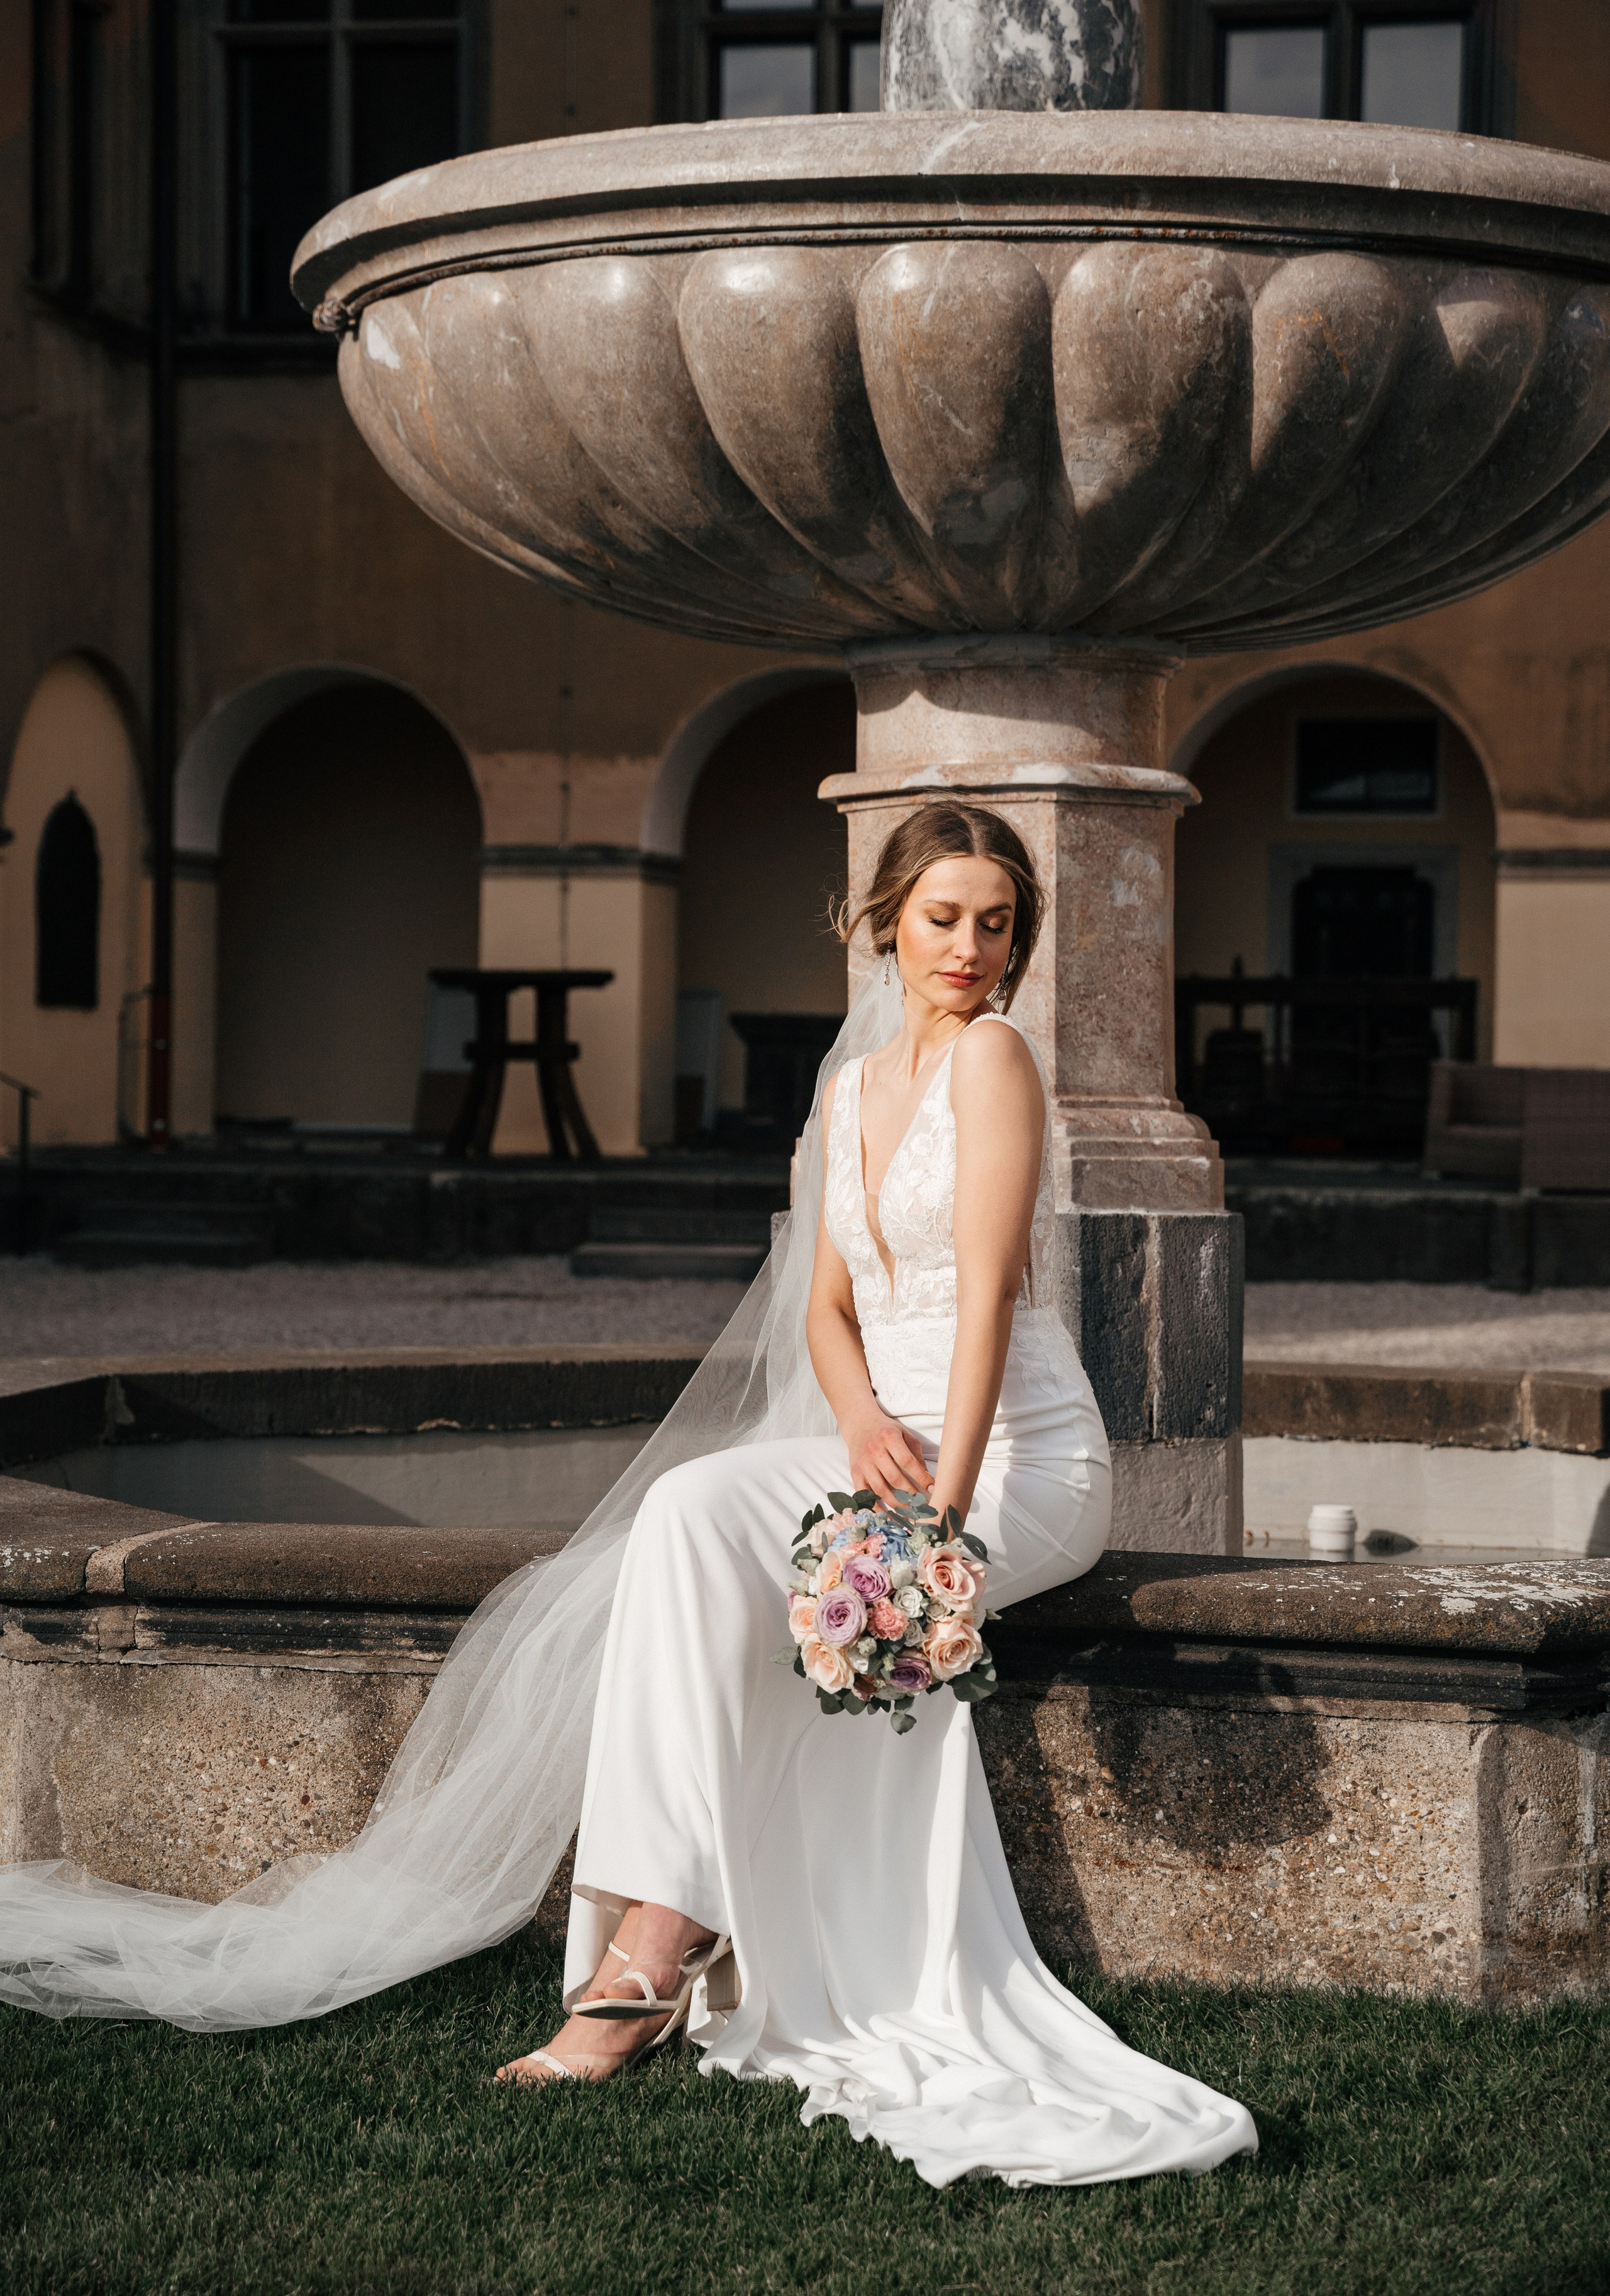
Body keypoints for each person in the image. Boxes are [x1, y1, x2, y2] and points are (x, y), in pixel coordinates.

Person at [0, 800, 1255, 2191]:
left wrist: (930, 1531)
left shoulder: (997, 1063)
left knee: (776, 1570)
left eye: (995, 923)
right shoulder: (846, 1093)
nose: (968, 947)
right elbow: (830, 1309)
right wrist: (850, 1424)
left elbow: (986, 1310)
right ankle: (663, 1929)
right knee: (688, 1517)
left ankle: (644, 1962)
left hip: (1011, 1456)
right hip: (876, 1439)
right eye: (943, 916)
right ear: (885, 918)